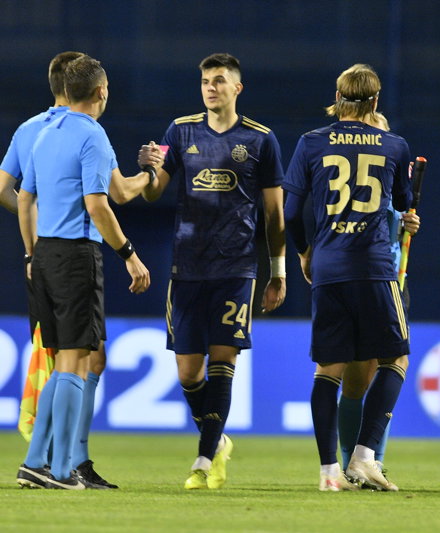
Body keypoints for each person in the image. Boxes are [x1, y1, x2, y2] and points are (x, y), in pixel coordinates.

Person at [9, 51, 161, 490]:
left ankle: (35, 462)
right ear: (101, 91)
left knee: (63, 363)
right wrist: (128, 253)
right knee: (77, 363)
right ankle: (60, 471)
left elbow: (24, 198)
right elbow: (100, 203)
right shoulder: (92, 135)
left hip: (45, 255)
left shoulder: (43, 133)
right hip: (77, 256)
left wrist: (31, 254)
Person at [140, 53, 286, 490]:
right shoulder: (179, 131)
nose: (210, 87)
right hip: (187, 266)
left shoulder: (261, 140)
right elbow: (153, 193)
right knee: (189, 372)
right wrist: (149, 169)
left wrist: (277, 270)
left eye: (219, 80)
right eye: (205, 80)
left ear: (237, 88)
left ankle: (203, 460)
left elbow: (274, 213)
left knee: (223, 359)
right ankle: (218, 440)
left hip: (236, 267)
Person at [282, 64, 413, 492]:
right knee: (396, 359)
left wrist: (305, 252)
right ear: (375, 101)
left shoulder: (310, 142)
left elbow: (289, 212)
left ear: (337, 97)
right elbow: (402, 202)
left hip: (329, 267)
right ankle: (364, 455)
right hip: (374, 267)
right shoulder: (394, 145)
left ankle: (329, 473)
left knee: (328, 371)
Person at [336, 111, 420, 479]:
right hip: (358, 279)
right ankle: (350, 462)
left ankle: (373, 460)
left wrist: (409, 223)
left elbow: (401, 217)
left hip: (392, 281)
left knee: (388, 365)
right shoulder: (351, 184)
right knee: (357, 379)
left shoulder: (393, 178)